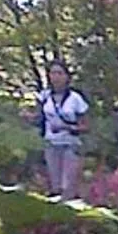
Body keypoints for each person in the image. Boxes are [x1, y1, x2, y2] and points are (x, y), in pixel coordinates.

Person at [36, 59, 89, 197]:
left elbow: (85, 126)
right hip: (50, 143)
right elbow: (39, 118)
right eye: (53, 73)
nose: (56, 77)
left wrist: (67, 127)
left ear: (67, 77)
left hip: (70, 144)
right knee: (55, 184)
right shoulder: (44, 96)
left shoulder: (75, 99)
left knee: (68, 184)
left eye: (60, 73)